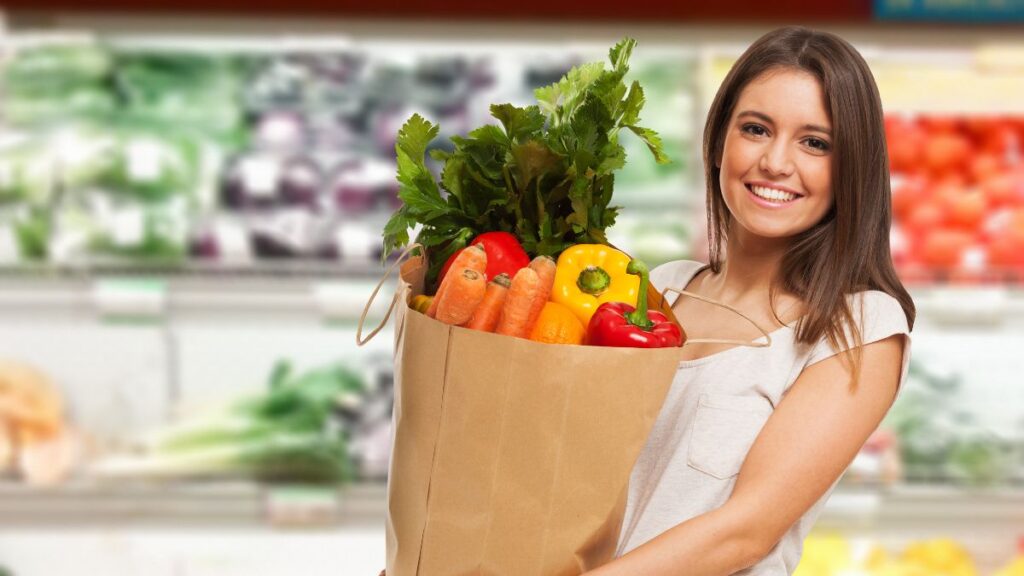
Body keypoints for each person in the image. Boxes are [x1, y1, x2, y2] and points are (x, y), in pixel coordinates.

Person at [587, 27, 915, 575]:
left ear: (849, 168)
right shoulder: (663, 289)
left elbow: (745, 533)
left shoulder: (859, 326)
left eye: (815, 142)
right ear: (719, 141)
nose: (775, 162)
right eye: (756, 129)